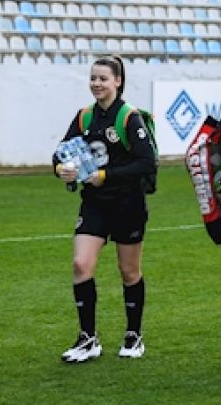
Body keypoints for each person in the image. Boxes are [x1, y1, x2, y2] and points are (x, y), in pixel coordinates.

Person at [53, 56, 156, 363]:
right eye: (93, 78)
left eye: (103, 79)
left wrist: (105, 175)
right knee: (80, 264)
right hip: (95, 203)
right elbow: (60, 152)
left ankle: (133, 335)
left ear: (118, 82)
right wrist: (61, 169)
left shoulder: (128, 117)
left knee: (129, 271)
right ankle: (88, 339)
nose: (97, 84)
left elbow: (146, 162)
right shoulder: (84, 117)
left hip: (128, 203)